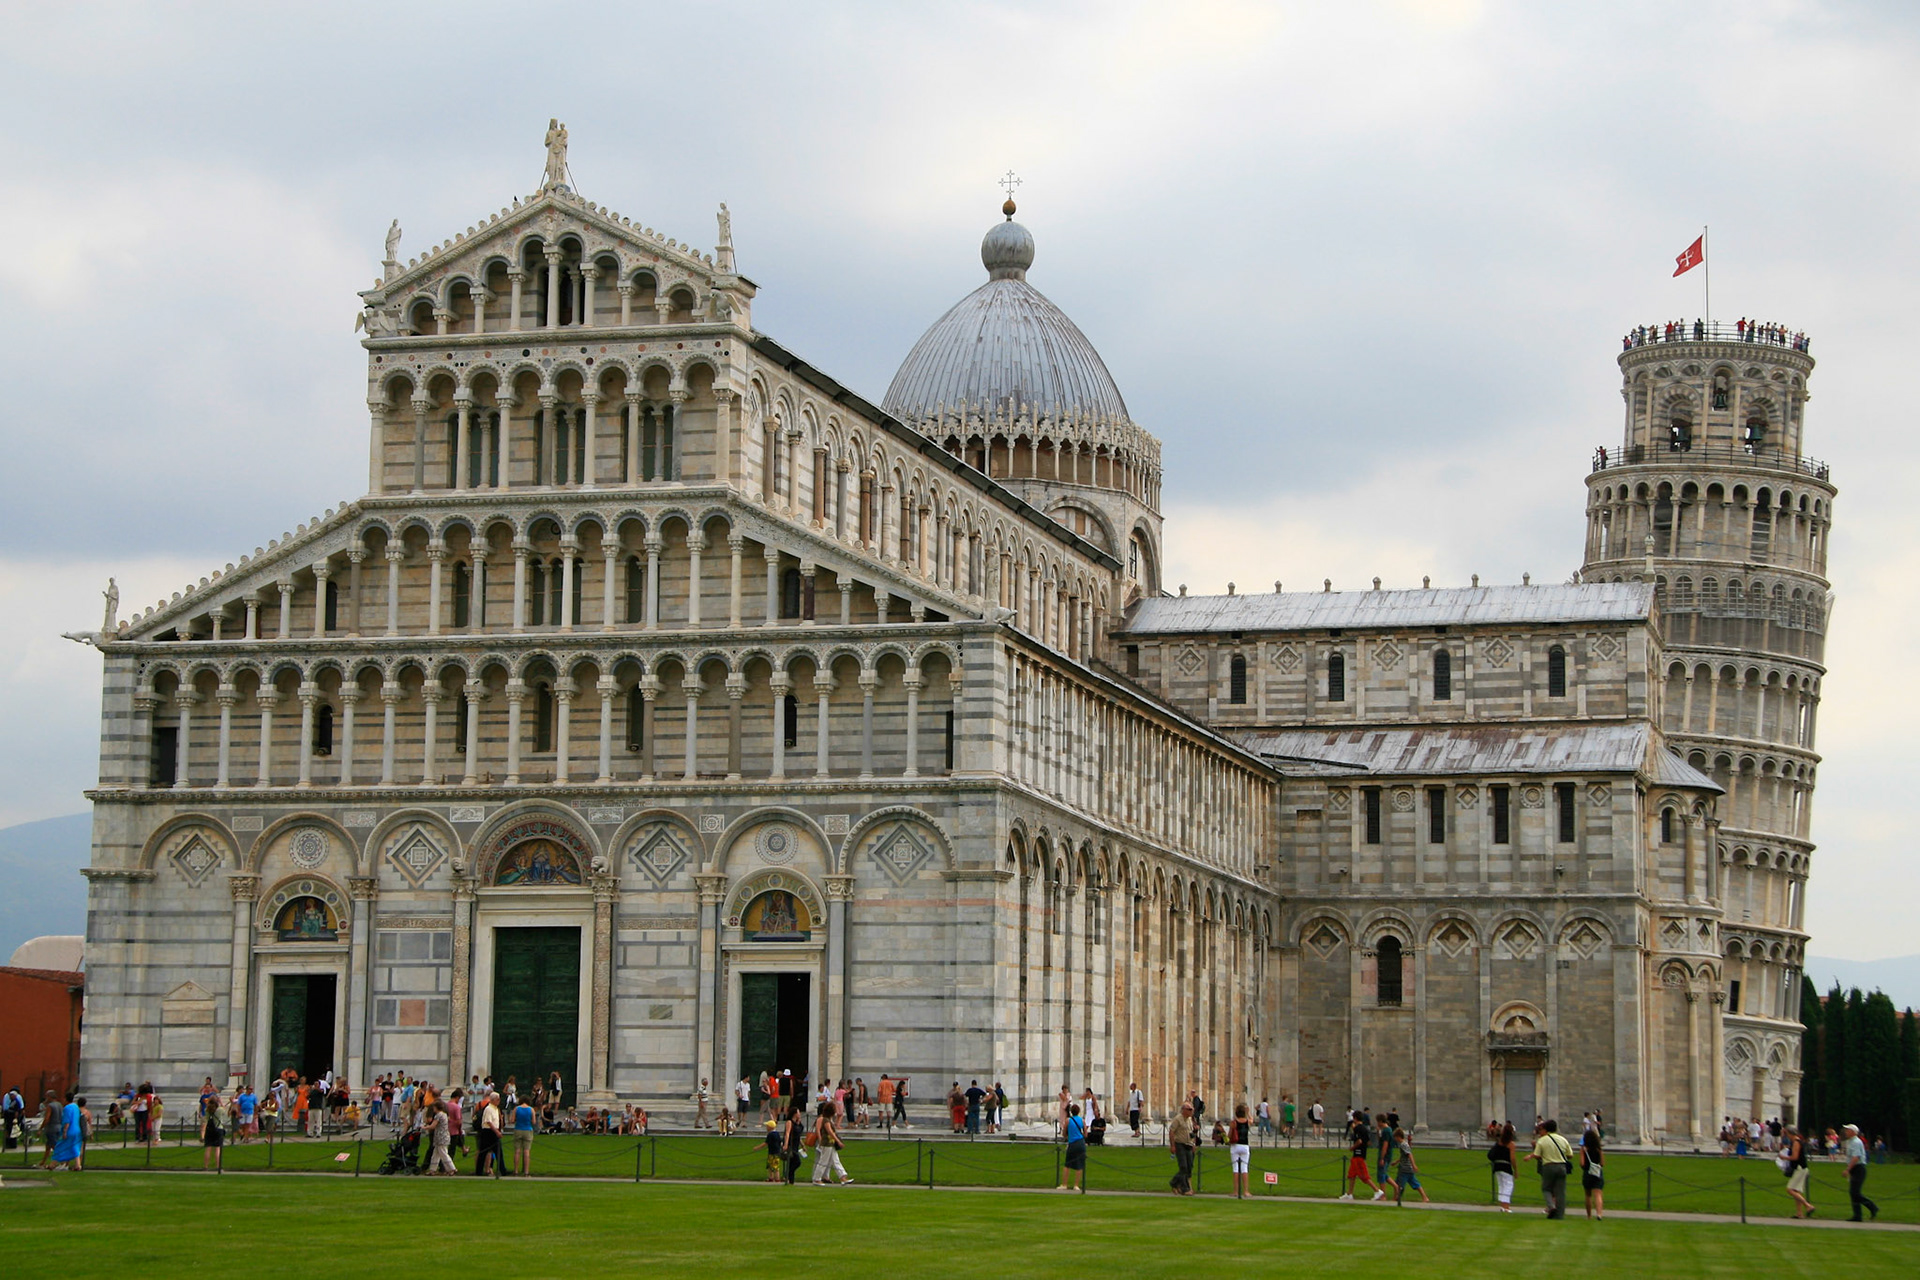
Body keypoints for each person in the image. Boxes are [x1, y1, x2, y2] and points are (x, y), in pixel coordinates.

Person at [1527, 1119, 1575, 1219]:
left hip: (1548, 1166)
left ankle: (1551, 1206)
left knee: (1546, 1188)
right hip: (1562, 1166)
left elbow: (1536, 1155)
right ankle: (1560, 1215)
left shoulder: (1542, 1140)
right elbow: (1570, 1155)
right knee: (1560, 1192)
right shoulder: (1562, 1139)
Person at [811, 1100, 852, 1185]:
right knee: (823, 1161)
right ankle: (816, 1178)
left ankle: (842, 1177)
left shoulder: (828, 1119)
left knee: (836, 1160)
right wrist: (838, 1141)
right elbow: (830, 1132)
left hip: (830, 1143)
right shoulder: (825, 1120)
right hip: (827, 1143)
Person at [1842, 1124, 1877, 1221]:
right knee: (1853, 1192)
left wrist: (1847, 1169)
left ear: (1853, 1132)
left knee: (1855, 1192)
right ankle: (1857, 1215)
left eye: (1847, 1130)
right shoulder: (1851, 1142)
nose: (1845, 1132)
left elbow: (1856, 1157)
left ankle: (1872, 1207)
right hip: (1855, 1168)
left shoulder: (1856, 1142)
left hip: (1858, 1168)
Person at [1340, 1115, 1380, 1200]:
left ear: (1355, 1118)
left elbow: (1359, 1141)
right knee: (1352, 1175)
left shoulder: (1357, 1129)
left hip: (1358, 1154)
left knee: (1364, 1175)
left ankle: (1377, 1190)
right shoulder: (1365, 1129)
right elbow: (1368, 1142)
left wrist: (1352, 1148)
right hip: (1360, 1153)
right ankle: (1349, 1193)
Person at [1782, 1125, 1815, 1218]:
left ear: (1790, 1133)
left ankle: (1808, 1205)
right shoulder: (1795, 1141)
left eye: (1787, 1133)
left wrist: (1783, 1157)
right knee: (1796, 1190)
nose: (1786, 1135)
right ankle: (1799, 1213)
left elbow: (1795, 1157)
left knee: (1790, 1189)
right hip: (1801, 1168)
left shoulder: (1796, 1142)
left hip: (1799, 1168)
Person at [1167, 1102, 1197, 1195]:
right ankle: (1184, 1188)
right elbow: (1172, 1132)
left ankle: (1175, 1183)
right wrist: (1172, 1146)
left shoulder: (1189, 1120)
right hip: (1180, 1144)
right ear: (1184, 1110)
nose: (1191, 1111)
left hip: (1189, 1144)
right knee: (1183, 1166)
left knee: (1189, 1167)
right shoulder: (1178, 1119)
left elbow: (1191, 1132)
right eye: (1189, 1110)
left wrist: (1194, 1144)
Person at [1392, 1128, 1428, 1205]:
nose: (1395, 1139)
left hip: (1405, 1168)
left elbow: (1409, 1155)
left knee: (1399, 1184)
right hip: (1408, 1168)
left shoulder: (1403, 1145)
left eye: (1395, 1137)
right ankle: (1424, 1197)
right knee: (1415, 1183)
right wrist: (1396, 1162)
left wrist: (1414, 1165)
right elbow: (1403, 1156)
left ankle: (1396, 1198)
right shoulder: (1405, 1144)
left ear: (1398, 1136)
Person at [1488, 1121, 1517, 1213]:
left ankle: (1502, 1206)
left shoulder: (1499, 1142)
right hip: (1506, 1166)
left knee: (1501, 1185)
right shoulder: (1511, 1144)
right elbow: (1512, 1158)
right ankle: (1506, 1207)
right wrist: (1515, 1169)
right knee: (1508, 1185)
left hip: (1497, 1166)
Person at [50, 1093, 84, 1170]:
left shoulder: (67, 1108)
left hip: (69, 1131)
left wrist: (65, 1131)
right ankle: (78, 1165)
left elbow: (67, 1121)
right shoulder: (76, 1107)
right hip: (77, 1130)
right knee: (75, 1147)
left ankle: (52, 1164)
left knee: (59, 1147)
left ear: (66, 1099)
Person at [1060, 1103, 1087, 1191]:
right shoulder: (1082, 1121)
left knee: (1067, 1164)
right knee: (1079, 1165)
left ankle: (1064, 1184)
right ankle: (1076, 1185)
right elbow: (1086, 1134)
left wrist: (1068, 1136)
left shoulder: (1068, 1120)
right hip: (1081, 1143)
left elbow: (1064, 1133)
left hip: (1072, 1143)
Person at [475, 1091, 502, 1177]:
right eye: (498, 1099)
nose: (499, 1101)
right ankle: (479, 1171)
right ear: (493, 1100)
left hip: (493, 1130)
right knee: (484, 1152)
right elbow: (489, 1122)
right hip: (488, 1131)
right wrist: (497, 1131)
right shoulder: (488, 1109)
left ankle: (502, 1169)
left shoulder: (495, 1109)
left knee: (498, 1151)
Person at [1580, 1124, 1605, 1219]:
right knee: (1598, 1194)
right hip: (1597, 1171)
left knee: (1588, 1195)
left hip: (1587, 1172)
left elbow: (1582, 1163)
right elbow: (1602, 1163)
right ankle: (1599, 1214)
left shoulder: (1584, 1149)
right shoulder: (1599, 1149)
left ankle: (1589, 1215)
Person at [1228, 1103, 1252, 1199]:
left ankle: (1235, 1191)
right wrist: (1248, 1112)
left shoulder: (1234, 1122)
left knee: (1235, 1169)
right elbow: (1251, 1119)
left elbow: (1229, 1135)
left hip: (1235, 1145)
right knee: (1244, 1169)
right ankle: (1246, 1191)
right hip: (1245, 1145)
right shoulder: (1247, 1122)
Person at [200, 1090, 224, 1170]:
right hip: (218, 1129)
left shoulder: (207, 1110)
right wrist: (221, 1102)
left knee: (208, 1149)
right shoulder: (219, 1110)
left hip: (209, 1130)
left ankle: (206, 1166)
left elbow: (205, 1119)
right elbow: (224, 1110)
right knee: (217, 1149)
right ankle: (218, 1166)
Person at [513, 1095, 535, 1175]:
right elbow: (534, 1122)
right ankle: (526, 1171)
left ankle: (516, 1170)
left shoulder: (517, 1109)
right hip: (528, 1129)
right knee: (526, 1151)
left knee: (517, 1151)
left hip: (518, 1129)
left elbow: (512, 1120)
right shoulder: (531, 1109)